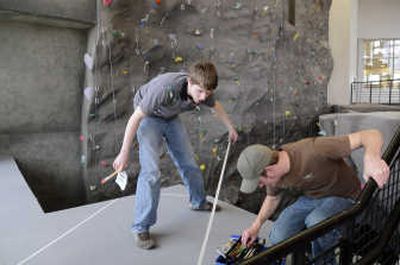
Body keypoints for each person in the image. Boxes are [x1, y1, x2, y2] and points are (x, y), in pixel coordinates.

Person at [113, 61, 238, 250]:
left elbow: (216, 105)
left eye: (207, 93)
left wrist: (230, 128)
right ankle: (141, 227)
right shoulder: (164, 88)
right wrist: (124, 153)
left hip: (171, 119)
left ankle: (198, 202)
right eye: (200, 92)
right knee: (152, 173)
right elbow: (135, 118)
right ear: (189, 81)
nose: (203, 98)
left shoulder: (203, 89)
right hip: (149, 119)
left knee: (189, 163)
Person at [236, 129, 390, 260]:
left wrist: (371, 158)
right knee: (278, 236)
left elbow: (371, 134)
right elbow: (272, 198)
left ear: (269, 170)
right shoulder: (274, 178)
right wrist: (255, 227)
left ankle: (324, 262)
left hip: (345, 195)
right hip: (312, 197)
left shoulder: (315, 149)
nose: (261, 186)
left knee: (316, 222)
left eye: (259, 182)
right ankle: (306, 254)